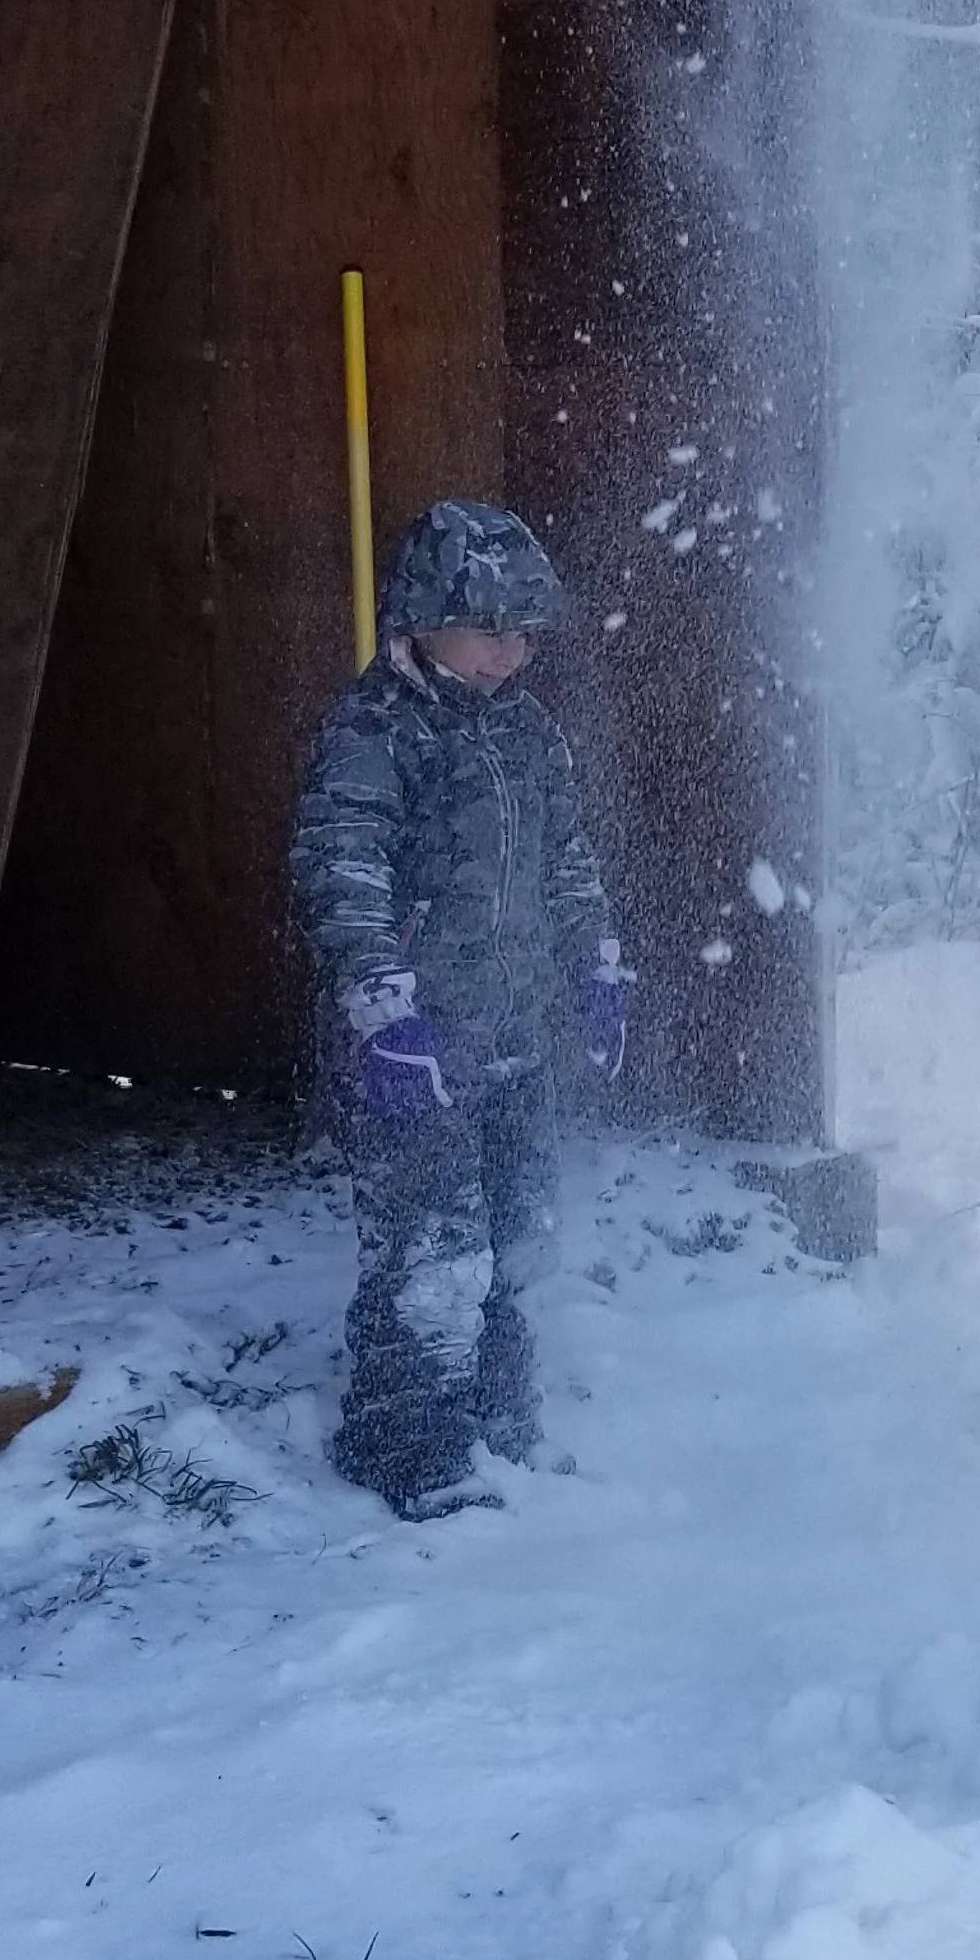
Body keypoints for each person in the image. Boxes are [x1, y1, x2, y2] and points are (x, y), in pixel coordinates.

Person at [291, 498, 629, 1517]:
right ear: (425, 614)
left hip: (514, 1038)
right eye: (490, 628)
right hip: (418, 1044)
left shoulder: (525, 734)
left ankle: (499, 1420)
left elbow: (567, 858)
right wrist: (380, 1010)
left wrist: (594, 963)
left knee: (519, 1240)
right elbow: (340, 863)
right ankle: (413, 1453)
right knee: (432, 1252)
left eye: (526, 634)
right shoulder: (376, 731)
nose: (511, 653)